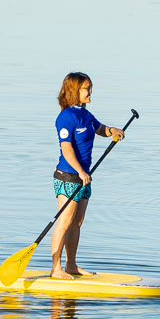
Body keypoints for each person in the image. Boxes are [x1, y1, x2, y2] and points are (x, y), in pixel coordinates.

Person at [51, 72, 124, 280]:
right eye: (86, 88)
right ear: (75, 91)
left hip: (84, 177)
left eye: (90, 87)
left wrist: (113, 130)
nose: (90, 92)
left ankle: (71, 265)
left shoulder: (86, 114)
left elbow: (99, 129)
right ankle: (55, 268)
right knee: (64, 221)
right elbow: (66, 149)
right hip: (68, 176)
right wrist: (81, 171)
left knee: (77, 221)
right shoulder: (66, 117)